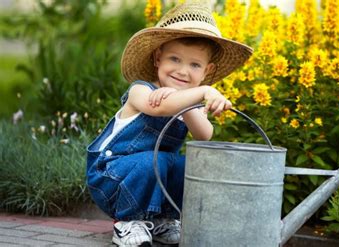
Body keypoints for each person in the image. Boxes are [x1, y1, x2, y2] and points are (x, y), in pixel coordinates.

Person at [86, 2, 253, 246]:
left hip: (150, 177)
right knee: (153, 160)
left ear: (207, 70)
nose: (183, 71)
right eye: (175, 59)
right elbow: (160, 107)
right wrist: (204, 90)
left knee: (188, 165)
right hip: (110, 179)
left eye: (195, 65)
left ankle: (162, 219)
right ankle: (128, 222)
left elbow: (204, 134)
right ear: (157, 58)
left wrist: (194, 102)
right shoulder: (141, 90)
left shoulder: (190, 102)